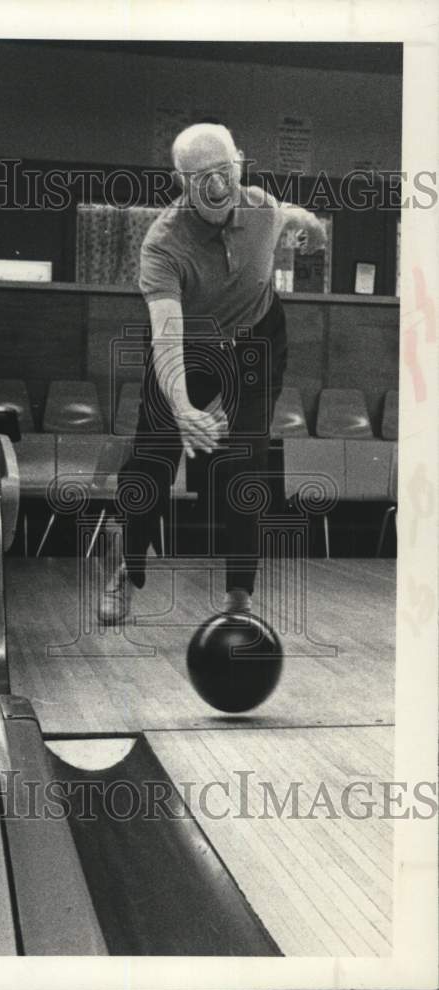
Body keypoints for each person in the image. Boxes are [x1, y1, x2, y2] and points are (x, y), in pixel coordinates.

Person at [98, 122, 327, 625]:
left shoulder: (262, 208)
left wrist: (312, 225)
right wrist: (181, 406)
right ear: (179, 180)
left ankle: (239, 595)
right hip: (188, 348)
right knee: (149, 467)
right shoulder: (163, 244)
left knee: (244, 464)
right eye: (201, 177)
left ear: (240, 163)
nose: (217, 186)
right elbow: (166, 335)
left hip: (256, 344)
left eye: (224, 171)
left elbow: (291, 216)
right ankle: (128, 570)